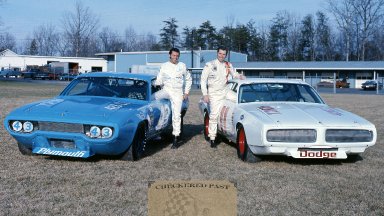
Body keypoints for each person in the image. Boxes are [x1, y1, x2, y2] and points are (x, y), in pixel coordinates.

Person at [200, 46, 245, 148]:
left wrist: (240, 76)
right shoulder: (210, 65)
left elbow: (235, 74)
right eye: (220, 53)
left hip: (225, 90)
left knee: (240, 101)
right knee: (214, 115)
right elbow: (203, 80)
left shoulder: (228, 65)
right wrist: (205, 94)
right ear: (217, 53)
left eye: (224, 54)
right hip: (214, 93)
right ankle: (212, 138)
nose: (221, 56)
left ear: (226, 55)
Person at [153, 48, 192, 149]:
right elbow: (159, 79)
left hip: (177, 92)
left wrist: (186, 92)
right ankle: (155, 130)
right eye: (173, 55)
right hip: (167, 89)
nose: (175, 57)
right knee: (154, 97)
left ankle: (175, 138)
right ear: (169, 55)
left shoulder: (182, 66)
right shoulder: (164, 66)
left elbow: (188, 79)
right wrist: (156, 84)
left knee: (176, 115)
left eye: (177, 56)